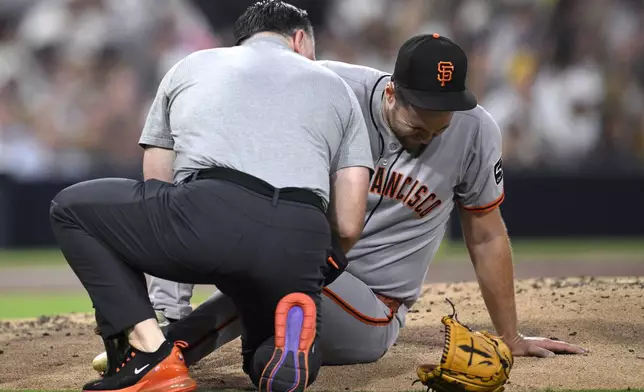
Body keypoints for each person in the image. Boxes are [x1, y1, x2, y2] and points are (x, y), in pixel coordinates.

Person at [95, 29, 588, 377]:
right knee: (261, 283)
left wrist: (510, 335)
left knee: (270, 275)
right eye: (419, 124)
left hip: (371, 309)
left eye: (442, 123)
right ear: (392, 92)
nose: (428, 136)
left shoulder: (477, 130)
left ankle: (164, 347)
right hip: (299, 269)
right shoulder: (330, 88)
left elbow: (485, 233)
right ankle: (246, 354)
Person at [49, 1, 374, 392]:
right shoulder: (336, 87)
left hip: (210, 217)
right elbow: (350, 220)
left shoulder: (193, 64)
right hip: (301, 237)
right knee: (263, 342)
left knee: (71, 209)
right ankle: (277, 354)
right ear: (300, 39)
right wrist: (315, 263)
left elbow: (157, 182)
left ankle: (150, 355)